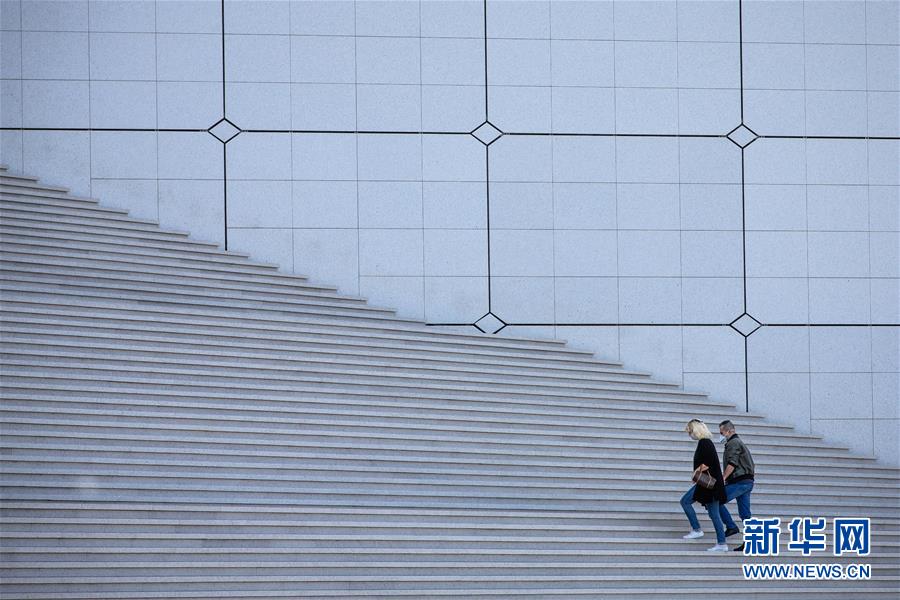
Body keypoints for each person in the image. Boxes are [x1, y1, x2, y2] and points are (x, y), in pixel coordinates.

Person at [679, 419, 729, 551]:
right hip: (708, 484)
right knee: (687, 502)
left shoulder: (704, 443)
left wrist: (695, 472)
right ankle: (700, 531)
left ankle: (721, 543)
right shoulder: (705, 442)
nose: (689, 434)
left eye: (690, 431)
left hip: (710, 485)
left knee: (713, 514)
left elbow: (708, 463)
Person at [717, 420, 756, 552]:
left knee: (716, 499)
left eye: (722, 432)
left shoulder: (733, 443)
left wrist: (723, 478)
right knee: (745, 514)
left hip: (739, 481)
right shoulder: (737, 442)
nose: (721, 435)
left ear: (730, 431)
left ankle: (731, 526)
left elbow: (732, 463)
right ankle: (750, 542)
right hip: (747, 482)